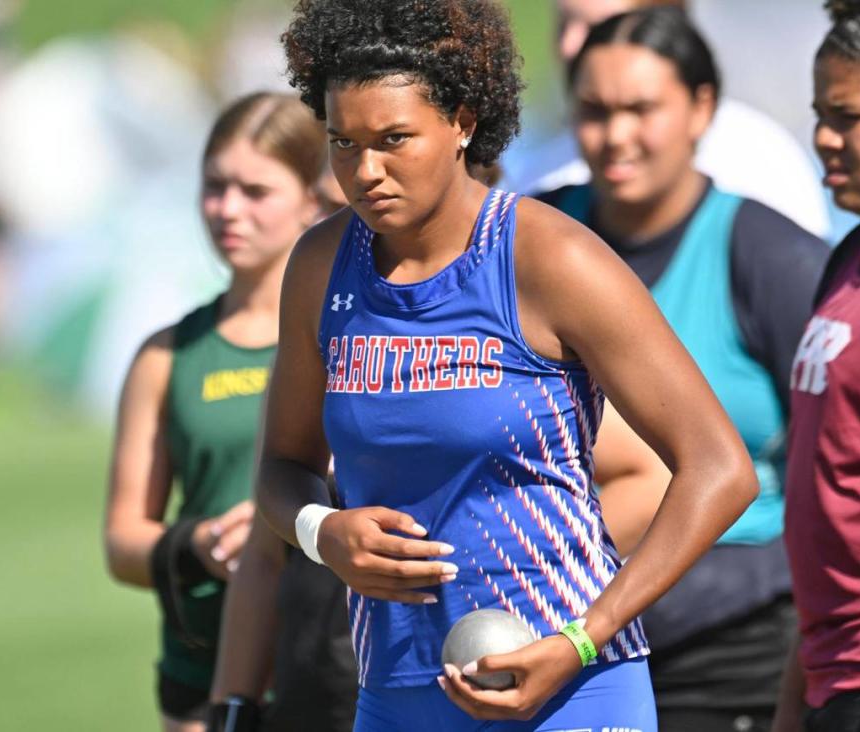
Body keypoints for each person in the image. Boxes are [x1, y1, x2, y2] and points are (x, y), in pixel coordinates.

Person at [207, 1, 759, 730]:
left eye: (393, 139)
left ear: (463, 120)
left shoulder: (550, 256)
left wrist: (581, 638)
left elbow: (721, 469)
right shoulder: (320, 266)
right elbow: (282, 466)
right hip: (396, 694)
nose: (364, 171)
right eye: (343, 143)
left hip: (572, 689)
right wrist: (321, 531)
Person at [538, 8, 830, 730]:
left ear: (702, 107)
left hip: (732, 642)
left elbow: (850, 456)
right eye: (595, 111)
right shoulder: (533, 239)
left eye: (642, 109)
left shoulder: (766, 255)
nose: (617, 137)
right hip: (551, 627)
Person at [103, 92, 332, 731]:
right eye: (214, 187)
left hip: (327, 666)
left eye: (255, 191)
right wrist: (198, 543)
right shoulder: (168, 355)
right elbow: (121, 541)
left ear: (313, 199)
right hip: (202, 680)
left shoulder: (349, 339)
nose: (228, 209)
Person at [773, 2, 860, 730]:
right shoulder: (852, 258)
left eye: (849, 116)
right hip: (833, 676)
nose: (824, 139)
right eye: (820, 114)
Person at [509, 0, 830, 239]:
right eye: (563, 25)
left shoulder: (760, 161)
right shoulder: (539, 177)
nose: (570, 46)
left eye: (599, 29)